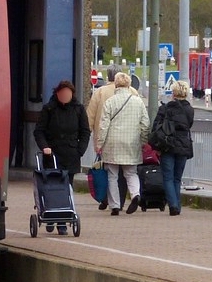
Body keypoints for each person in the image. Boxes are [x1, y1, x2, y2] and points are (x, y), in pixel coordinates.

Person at [97, 72, 150, 215]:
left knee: (112, 175)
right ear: (129, 85)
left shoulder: (110, 102)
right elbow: (145, 124)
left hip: (112, 143)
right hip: (131, 143)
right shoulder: (138, 102)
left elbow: (103, 126)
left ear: (115, 84)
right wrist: (143, 141)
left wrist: (99, 144)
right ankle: (135, 195)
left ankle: (115, 205)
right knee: (131, 173)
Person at [33, 79, 91, 187]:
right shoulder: (49, 109)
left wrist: (80, 151)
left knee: (68, 186)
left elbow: (85, 132)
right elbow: (39, 131)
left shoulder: (78, 109)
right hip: (52, 154)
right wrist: (44, 147)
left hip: (71, 154)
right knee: (52, 186)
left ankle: (68, 203)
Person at [152, 80, 195, 215]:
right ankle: (177, 205)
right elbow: (189, 125)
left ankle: (173, 205)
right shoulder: (189, 110)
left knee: (168, 177)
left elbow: (156, 126)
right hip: (183, 146)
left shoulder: (165, 108)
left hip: (167, 145)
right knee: (177, 178)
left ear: (174, 93)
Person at [87, 64, 123, 210]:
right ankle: (119, 199)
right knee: (123, 171)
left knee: (106, 170)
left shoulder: (100, 92)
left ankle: (106, 198)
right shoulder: (132, 92)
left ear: (108, 75)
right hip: (126, 139)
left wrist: (87, 132)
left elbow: (91, 115)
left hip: (104, 138)